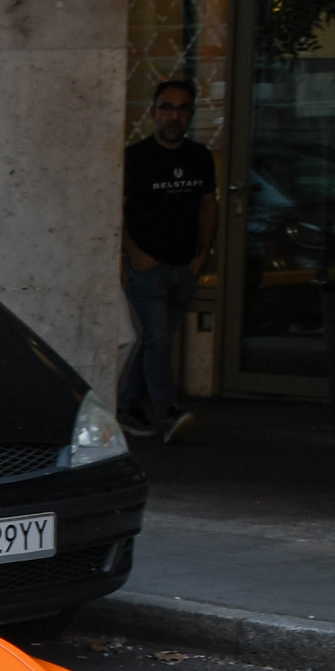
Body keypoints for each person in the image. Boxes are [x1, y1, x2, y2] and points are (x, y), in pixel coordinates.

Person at [120, 78, 218, 443]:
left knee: (153, 341)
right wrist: (132, 252)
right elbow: (115, 210)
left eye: (181, 108)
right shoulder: (136, 157)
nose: (173, 116)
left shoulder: (199, 157)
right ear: (153, 113)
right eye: (166, 108)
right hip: (147, 268)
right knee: (158, 339)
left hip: (184, 267)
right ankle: (167, 410)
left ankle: (127, 407)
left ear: (191, 114)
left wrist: (202, 255)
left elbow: (209, 206)